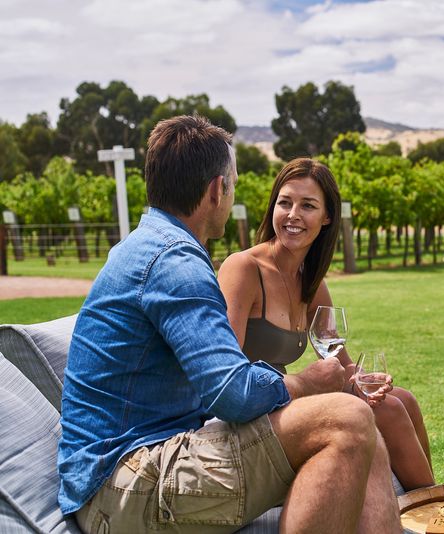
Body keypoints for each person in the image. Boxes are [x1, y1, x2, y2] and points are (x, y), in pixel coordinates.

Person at [57, 115, 402, 534]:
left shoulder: (153, 246)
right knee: (346, 419)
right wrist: (307, 384)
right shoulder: (173, 261)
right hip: (123, 486)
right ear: (217, 189)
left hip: (137, 467)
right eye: (233, 183)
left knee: (364, 432)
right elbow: (231, 395)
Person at [217, 157, 435, 491]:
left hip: (285, 401)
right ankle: (435, 512)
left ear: (327, 216)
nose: (293, 215)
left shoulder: (312, 282)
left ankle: (426, 506)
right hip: (254, 409)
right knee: (389, 410)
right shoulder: (244, 269)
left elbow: (337, 358)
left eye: (307, 206)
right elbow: (225, 371)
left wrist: (365, 380)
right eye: (285, 202)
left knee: (402, 399)